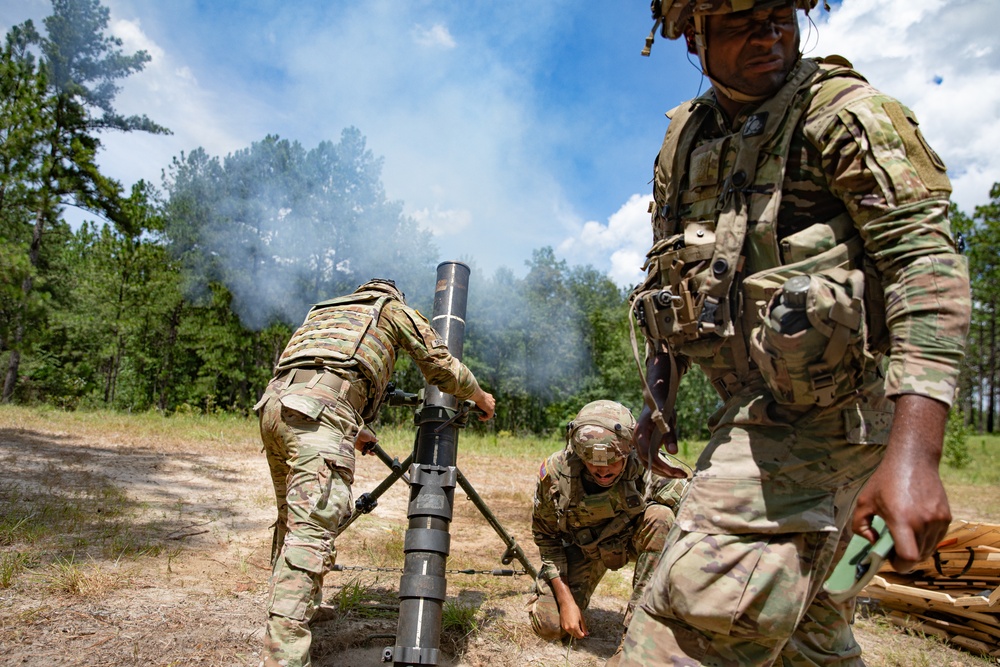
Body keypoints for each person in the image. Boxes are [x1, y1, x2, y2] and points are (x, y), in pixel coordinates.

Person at [621, 1, 971, 664]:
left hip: (851, 432)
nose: (769, 34)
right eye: (739, 21)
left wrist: (915, 457)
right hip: (758, 417)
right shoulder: (684, 142)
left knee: (690, 620)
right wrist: (657, 400)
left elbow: (925, 265)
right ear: (693, 38)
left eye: (779, 13)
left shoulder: (843, 113)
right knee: (814, 632)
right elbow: (671, 278)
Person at [255, 278, 495, 667]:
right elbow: (440, 367)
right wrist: (480, 397)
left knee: (292, 519)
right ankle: (284, 655)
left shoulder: (325, 311)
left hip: (275, 408)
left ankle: (301, 607)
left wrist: (355, 428)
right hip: (320, 416)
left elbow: (321, 371)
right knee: (313, 530)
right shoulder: (390, 309)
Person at [528, 400, 687, 642]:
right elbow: (546, 537)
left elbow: (699, 517)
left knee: (661, 518)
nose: (603, 471)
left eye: (613, 461)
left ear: (630, 449)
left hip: (632, 542)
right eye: (592, 462)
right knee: (551, 627)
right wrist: (565, 598)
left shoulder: (649, 467)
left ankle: (637, 634)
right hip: (584, 548)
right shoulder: (556, 475)